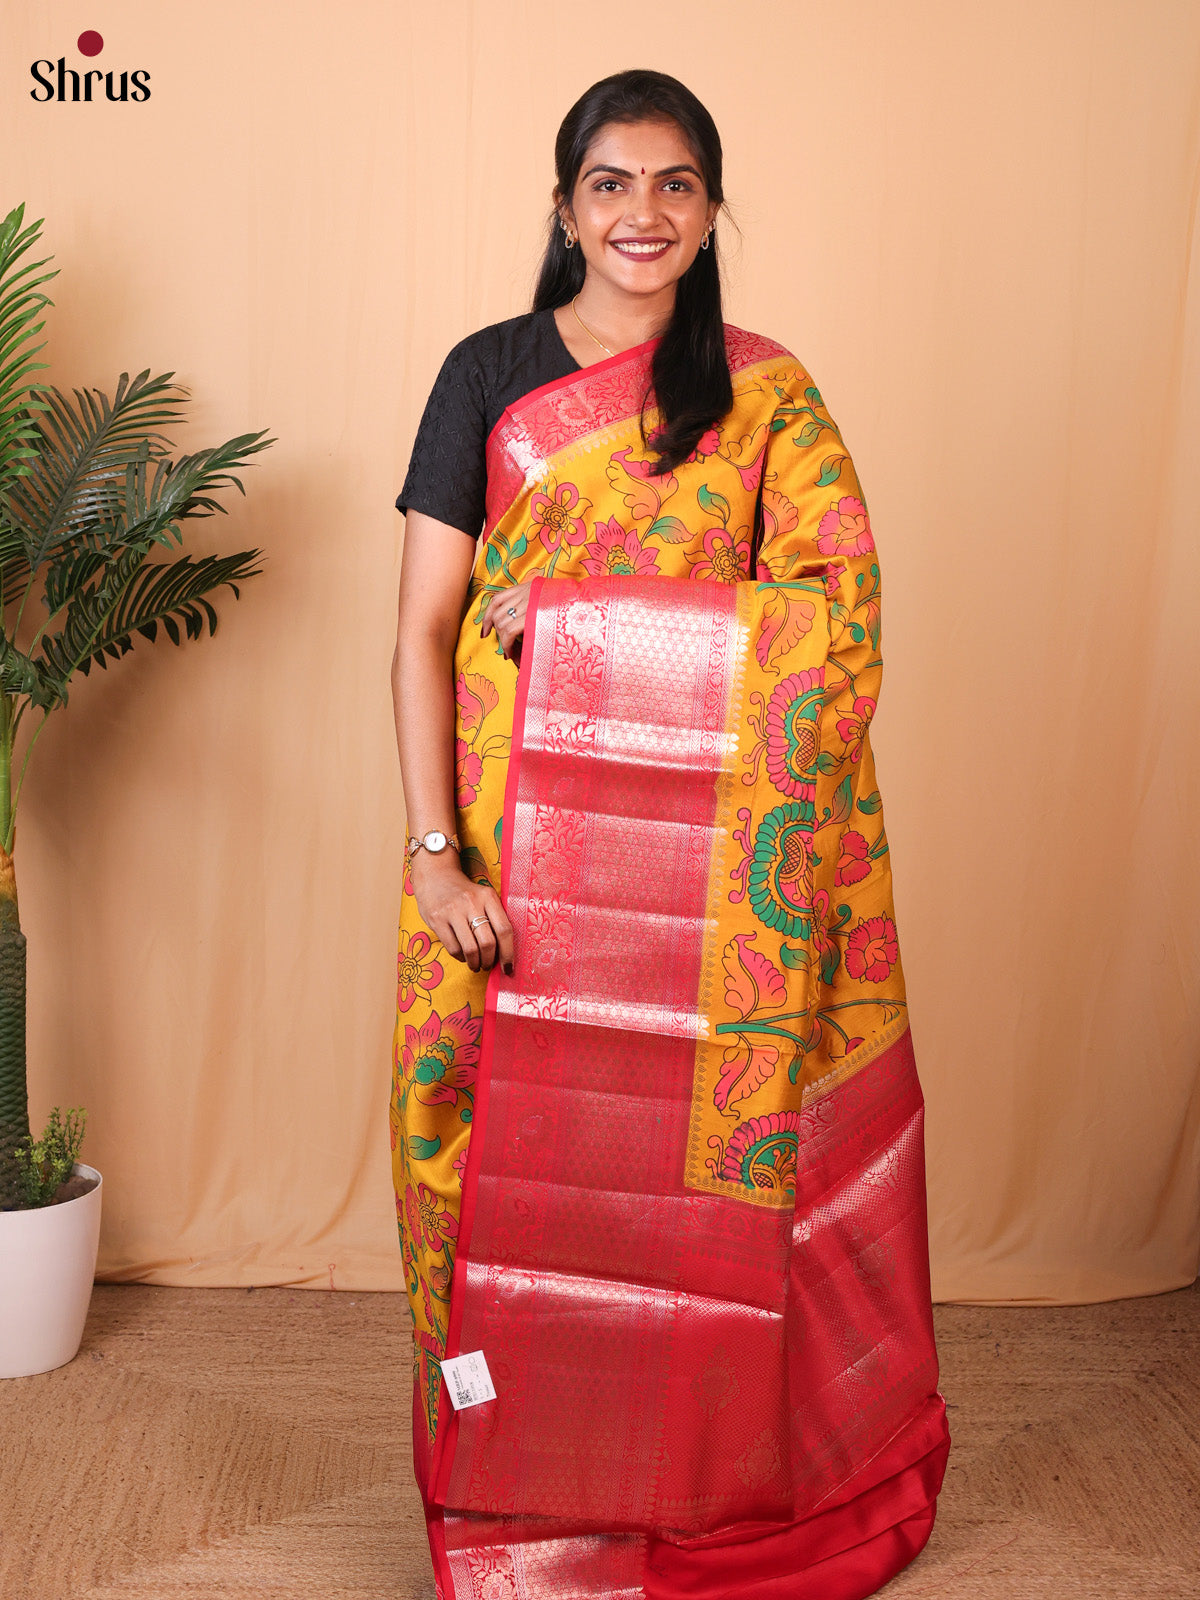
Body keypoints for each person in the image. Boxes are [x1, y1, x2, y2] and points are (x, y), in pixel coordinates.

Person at [390, 68, 949, 1600]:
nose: (643, 212)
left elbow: (836, 628)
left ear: (710, 211)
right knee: (490, 1187)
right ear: (565, 207)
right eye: (611, 183)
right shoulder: (489, 375)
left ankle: (718, 1505)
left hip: (713, 893)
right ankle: (512, 1518)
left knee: (705, 1208)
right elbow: (425, 631)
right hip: (509, 864)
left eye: (675, 183)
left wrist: (587, 617)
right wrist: (436, 859)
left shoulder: (769, 395)